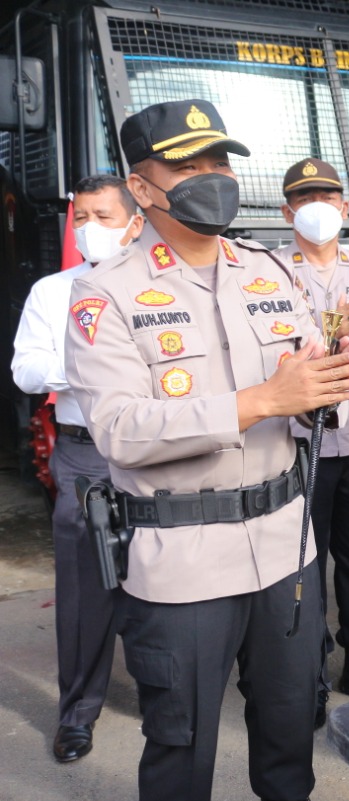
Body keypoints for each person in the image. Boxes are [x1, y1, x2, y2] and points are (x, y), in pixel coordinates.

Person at [65, 98, 349, 801]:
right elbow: (122, 430)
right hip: (182, 560)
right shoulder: (106, 294)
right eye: (189, 165)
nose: (214, 178)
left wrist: (322, 387)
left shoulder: (266, 272)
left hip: (282, 543)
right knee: (181, 734)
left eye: (220, 162)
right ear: (143, 187)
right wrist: (264, 398)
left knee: (291, 706)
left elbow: (304, 394)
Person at [11, 174, 143, 763]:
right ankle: (78, 714)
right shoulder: (51, 292)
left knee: (159, 578)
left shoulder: (158, 292)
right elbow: (28, 370)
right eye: (81, 218)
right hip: (83, 451)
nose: (89, 229)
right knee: (85, 586)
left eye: (104, 217)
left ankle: (163, 693)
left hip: (149, 449)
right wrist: (94, 367)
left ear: (135, 223)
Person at [274, 158, 349, 714]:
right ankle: (309, 674)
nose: (317, 207)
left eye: (327, 196)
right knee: (303, 557)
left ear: (345, 208)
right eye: (305, 199)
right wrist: (329, 333)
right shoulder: (270, 274)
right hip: (298, 441)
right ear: (286, 211)